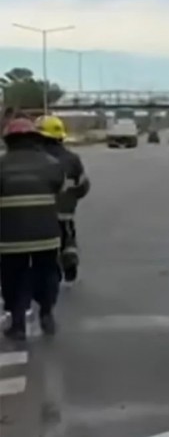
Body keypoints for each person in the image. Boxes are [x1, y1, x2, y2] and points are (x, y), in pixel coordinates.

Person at [0, 118, 65, 340]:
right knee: (47, 273)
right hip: (46, 234)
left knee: (13, 277)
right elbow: (61, 190)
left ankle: (18, 324)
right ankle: (46, 313)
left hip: (9, 238)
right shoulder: (52, 164)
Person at [35, 115, 91, 289]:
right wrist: (72, 197)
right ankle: (69, 261)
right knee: (67, 237)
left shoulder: (34, 158)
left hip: (38, 212)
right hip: (64, 210)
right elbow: (83, 185)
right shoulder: (72, 158)